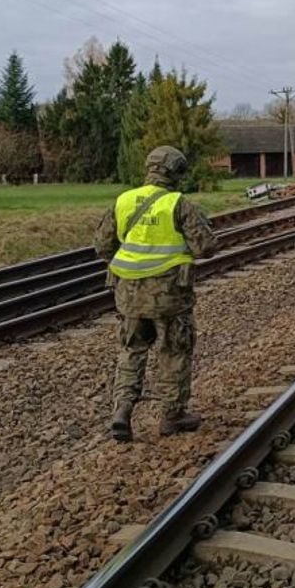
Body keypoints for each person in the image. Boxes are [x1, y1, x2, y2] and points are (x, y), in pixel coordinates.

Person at [93, 145, 218, 442]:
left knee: (131, 350)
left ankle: (122, 410)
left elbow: (102, 245)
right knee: (173, 350)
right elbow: (206, 246)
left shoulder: (123, 200)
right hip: (169, 297)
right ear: (176, 173)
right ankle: (172, 415)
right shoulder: (177, 204)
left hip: (130, 296)